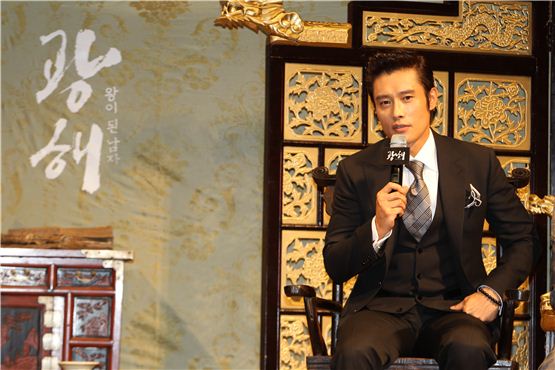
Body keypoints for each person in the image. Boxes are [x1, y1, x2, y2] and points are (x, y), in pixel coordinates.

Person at [323, 50, 536, 370]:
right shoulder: (357, 170)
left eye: (407, 97)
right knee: (355, 352)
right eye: (384, 102)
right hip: (380, 310)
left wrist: (492, 293)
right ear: (376, 112)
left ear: (432, 98)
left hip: (455, 308)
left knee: (469, 348)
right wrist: (377, 228)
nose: (397, 112)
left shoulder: (477, 163)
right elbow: (336, 264)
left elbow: (524, 239)